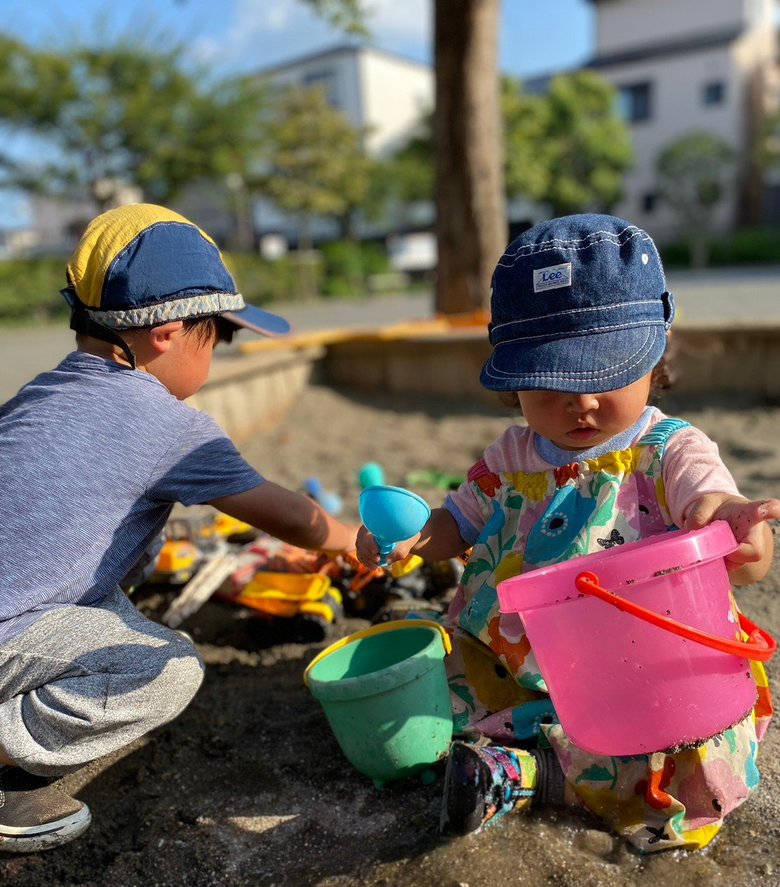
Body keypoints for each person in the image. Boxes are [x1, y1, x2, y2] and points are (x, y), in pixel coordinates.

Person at [356, 213, 779, 853]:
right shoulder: (509, 457)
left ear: (656, 356)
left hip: (638, 670)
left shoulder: (669, 452)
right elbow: (458, 522)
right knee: (433, 682)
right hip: (516, 660)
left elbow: (720, 520)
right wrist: (414, 539)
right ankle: (516, 761)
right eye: (550, 381)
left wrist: (736, 528)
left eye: (605, 372)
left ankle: (528, 776)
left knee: (673, 753)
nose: (579, 402)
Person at [0, 203, 358, 854]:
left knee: (122, 589)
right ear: (168, 332)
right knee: (167, 671)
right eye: (217, 337)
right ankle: (8, 775)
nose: (216, 355)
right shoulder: (166, 423)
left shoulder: (39, 397)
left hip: (22, 607)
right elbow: (289, 516)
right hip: (8, 633)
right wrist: (360, 541)